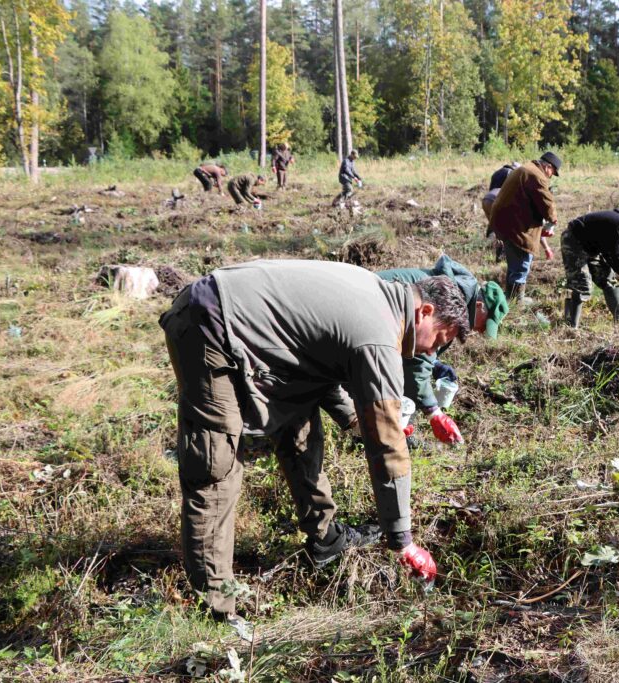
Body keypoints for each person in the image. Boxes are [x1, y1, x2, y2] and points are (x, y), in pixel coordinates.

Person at [160, 260, 468, 624]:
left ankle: (325, 538)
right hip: (209, 325)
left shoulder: (377, 295)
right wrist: (403, 541)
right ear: (425, 312)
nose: (430, 353)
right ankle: (215, 608)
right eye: (439, 339)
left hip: (243, 323)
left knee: (299, 421)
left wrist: (354, 419)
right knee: (216, 469)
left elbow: (321, 365)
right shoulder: (380, 333)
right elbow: (387, 446)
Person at [323, 255, 509, 448]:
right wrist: (434, 412)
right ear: (478, 307)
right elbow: (415, 363)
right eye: (484, 324)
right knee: (372, 380)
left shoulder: (453, 295)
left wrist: (435, 365)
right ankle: (374, 437)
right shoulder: (450, 300)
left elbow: (417, 348)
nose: (481, 331)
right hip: (352, 324)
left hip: (361, 324)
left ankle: (380, 433)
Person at [489, 151, 561, 305]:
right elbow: (547, 203)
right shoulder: (537, 175)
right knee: (522, 261)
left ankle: (510, 297)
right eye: (552, 172)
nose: (551, 176)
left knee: (514, 263)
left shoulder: (526, 168)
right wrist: (552, 221)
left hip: (506, 222)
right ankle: (517, 301)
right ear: (548, 167)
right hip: (516, 225)